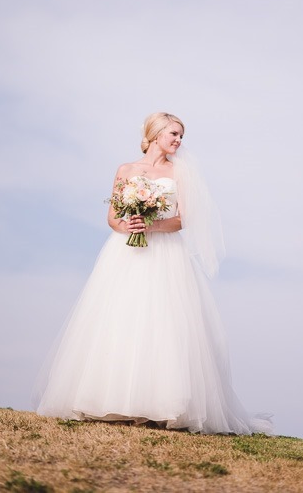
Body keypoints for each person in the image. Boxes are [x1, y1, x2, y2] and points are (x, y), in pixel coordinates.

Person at [34, 112, 273, 435]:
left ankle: (159, 404)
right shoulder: (126, 170)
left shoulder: (180, 173)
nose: (178, 141)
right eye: (174, 134)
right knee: (120, 317)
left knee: (162, 321)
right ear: (156, 133)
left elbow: (183, 219)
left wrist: (152, 224)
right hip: (125, 252)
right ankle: (110, 399)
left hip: (165, 253)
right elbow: (113, 216)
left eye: (181, 136)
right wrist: (127, 224)